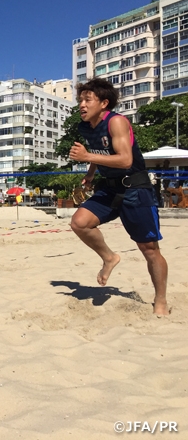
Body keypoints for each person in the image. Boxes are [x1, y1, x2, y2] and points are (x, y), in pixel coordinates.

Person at [69, 78, 168, 316]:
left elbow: (125, 160)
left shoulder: (117, 122)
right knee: (79, 223)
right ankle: (109, 258)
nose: (81, 105)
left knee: (149, 248)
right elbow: (96, 153)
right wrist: (90, 175)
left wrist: (87, 159)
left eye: (87, 100)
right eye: (80, 100)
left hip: (136, 189)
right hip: (110, 188)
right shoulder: (85, 127)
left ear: (104, 103)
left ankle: (161, 300)